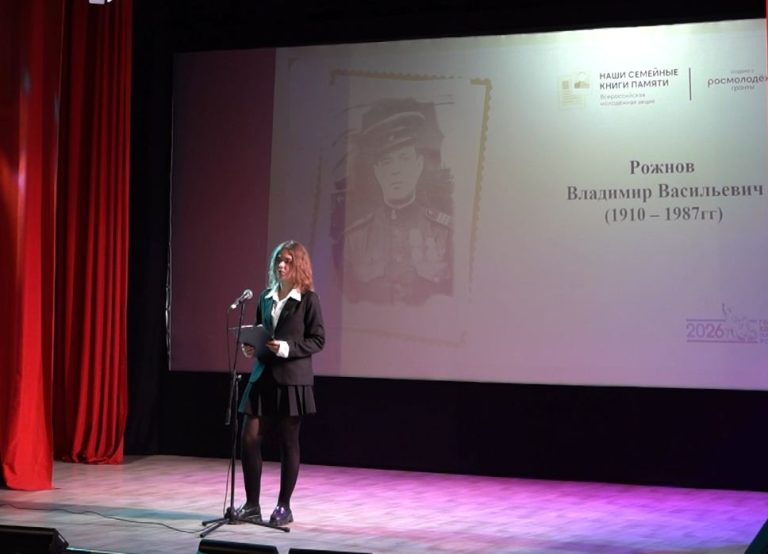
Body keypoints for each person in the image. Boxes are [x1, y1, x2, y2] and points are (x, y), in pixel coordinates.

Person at [237, 240, 325, 526]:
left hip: (292, 380)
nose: (281, 265)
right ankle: (252, 505)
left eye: (287, 261)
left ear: (298, 264)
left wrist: (287, 348)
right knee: (249, 438)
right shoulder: (266, 296)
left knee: (288, 442)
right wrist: (252, 347)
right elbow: (260, 331)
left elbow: (318, 340)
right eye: (278, 260)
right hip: (262, 375)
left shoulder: (308, 299)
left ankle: (284, 507)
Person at [339, 97, 453, 304]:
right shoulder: (355, 238)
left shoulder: (444, 232)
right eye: (387, 162)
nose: (395, 171)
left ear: (418, 165)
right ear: (377, 171)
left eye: (404, 159)